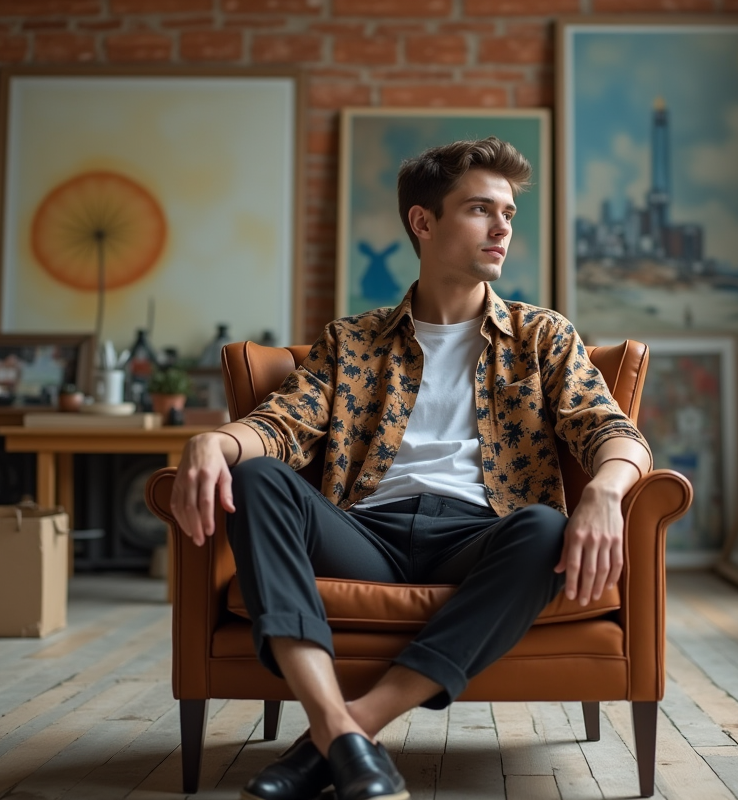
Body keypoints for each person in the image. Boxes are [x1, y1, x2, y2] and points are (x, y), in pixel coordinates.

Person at [171, 137, 652, 800]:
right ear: (423, 222)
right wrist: (215, 443)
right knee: (256, 478)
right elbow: (281, 425)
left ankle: (340, 733)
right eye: (481, 209)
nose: (503, 228)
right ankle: (340, 731)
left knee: (546, 528)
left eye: (508, 213)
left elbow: (612, 431)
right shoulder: (352, 341)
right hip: (364, 535)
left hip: (481, 538)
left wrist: (604, 491)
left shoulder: (542, 337)